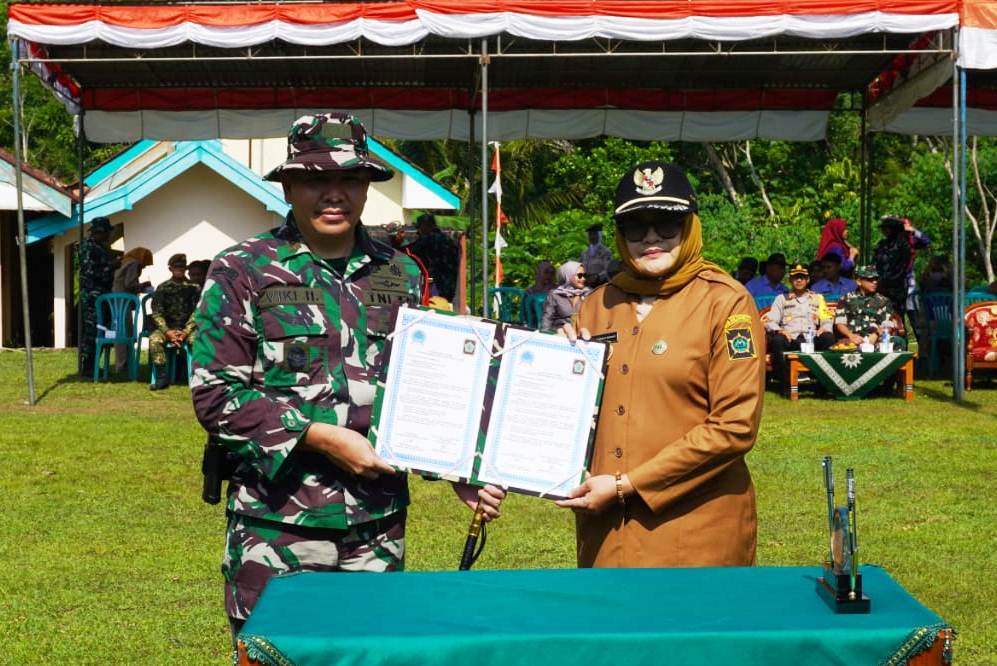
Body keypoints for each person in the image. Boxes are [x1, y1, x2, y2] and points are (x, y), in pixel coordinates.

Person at [190, 113, 503, 634]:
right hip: (279, 525)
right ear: (288, 185)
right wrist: (319, 436)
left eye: (350, 180)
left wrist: (454, 470)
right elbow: (216, 397)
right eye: (316, 179)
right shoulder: (242, 269)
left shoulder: (399, 273)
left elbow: (425, 390)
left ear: (366, 187)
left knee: (371, 652)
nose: (334, 194)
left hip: (376, 527)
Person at [556, 161, 764, 568]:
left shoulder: (726, 302)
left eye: (666, 223)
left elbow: (735, 427)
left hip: (697, 534)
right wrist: (559, 372)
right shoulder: (599, 305)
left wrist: (628, 485)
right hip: (607, 533)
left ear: (690, 226)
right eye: (636, 226)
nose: (651, 237)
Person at [764, 263, 835, 383]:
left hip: (811, 338)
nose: (799, 280)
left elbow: (827, 318)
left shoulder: (817, 298)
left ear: (807, 280)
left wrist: (824, 327)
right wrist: (780, 330)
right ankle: (785, 379)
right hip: (791, 337)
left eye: (802, 277)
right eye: (796, 277)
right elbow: (770, 320)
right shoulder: (781, 298)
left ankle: (823, 379)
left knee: (828, 337)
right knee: (777, 341)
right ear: (790, 280)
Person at [149, 253, 201, 390]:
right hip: (167, 328)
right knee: (154, 340)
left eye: (182, 267)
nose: (179, 269)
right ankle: (162, 378)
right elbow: (157, 313)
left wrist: (185, 332)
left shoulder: (194, 287)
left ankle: (199, 377)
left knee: (198, 341)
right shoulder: (163, 288)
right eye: (176, 267)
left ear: (186, 268)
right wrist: (167, 332)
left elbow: (198, 312)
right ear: (170, 269)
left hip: (188, 329)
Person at [78, 217, 120, 377]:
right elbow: (91, 273)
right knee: (92, 331)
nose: (109, 235)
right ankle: (87, 367)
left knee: (102, 329)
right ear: (100, 232)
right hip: (92, 297)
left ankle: (94, 365)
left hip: (101, 295)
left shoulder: (99, 248)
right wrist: (112, 266)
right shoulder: (88, 248)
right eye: (107, 232)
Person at [834, 265, 906, 349]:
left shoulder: (883, 301)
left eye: (876, 279)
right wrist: (850, 335)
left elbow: (888, 324)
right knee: (843, 345)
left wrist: (876, 334)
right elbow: (840, 323)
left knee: (898, 341)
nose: (875, 282)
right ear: (858, 281)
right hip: (852, 340)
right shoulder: (846, 299)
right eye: (870, 279)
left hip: (877, 339)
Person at [110, 246, 154, 372]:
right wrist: (143, 286)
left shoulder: (126, 261)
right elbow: (129, 284)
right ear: (141, 258)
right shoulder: (134, 263)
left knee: (121, 331)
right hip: (123, 301)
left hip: (116, 300)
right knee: (125, 331)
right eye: (145, 263)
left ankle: (123, 363)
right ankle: (123, 364)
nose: (144, 267)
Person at [408, 212, 459, 301]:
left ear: (425, 226)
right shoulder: (448, 240)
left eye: (419, 227)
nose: (418, 231)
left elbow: (411, 253)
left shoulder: (428, 239)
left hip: (435, 284)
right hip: (449, 285)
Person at [384, 222, 431, 305]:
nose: (392, 238)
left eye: (401, 232)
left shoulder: (412, 253)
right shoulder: (386, 254)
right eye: (391, 237)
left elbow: (422, 276)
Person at [873, 216, 912, 314]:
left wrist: (888, 280)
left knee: (896, 314)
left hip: (896, 286)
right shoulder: (881, 244)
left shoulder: (902, 245)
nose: (884, 231)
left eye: (886, 228)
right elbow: (875, 262)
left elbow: (902, 266)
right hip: (881, 284)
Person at [541, 261, 589, 331]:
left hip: (586, 337)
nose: (583, 279)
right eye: (579, 275)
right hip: (562, 335)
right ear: (568, 275)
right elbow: (547, 320)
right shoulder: (555, 295)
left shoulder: (588, 293)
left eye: (584, 275)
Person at [580, 223, 613, 287]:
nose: (592, 237)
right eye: (590, 234)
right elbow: (580, 268)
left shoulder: (606, 252)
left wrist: (597, 276)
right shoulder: (584, 253)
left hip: (601, 284)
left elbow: (608, 269)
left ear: (599, 235)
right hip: (587, 285)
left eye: (594, 234)